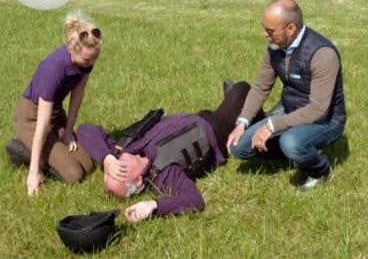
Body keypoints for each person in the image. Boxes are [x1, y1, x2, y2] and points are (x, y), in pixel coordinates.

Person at [76, 81, 253, 223]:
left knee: (239, 102)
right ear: (138, 181)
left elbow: (85, 129)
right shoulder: (164, 174)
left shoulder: (123, 149)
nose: (118, 161)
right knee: (242, 89)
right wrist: (153, 205)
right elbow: (195, 200)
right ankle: (254, 114)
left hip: (196, 116)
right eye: (120, 170)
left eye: (111, 169)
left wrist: (106, 158)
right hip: (216, 129)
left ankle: (246, 111)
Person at [226, 0, 346, 190]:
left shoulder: (323, 54)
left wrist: (272, 126)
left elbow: (318, 110)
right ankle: (299, 150)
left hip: (327, 120)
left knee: (291, 142)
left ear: (291, 29)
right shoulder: (274, 48)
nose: (265, 35)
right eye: (264, 28)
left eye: (270, 31)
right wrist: (243, 122)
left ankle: (320, 169)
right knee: (238, 147)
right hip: (290, 111)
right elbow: (260, 87)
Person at [13, 10, 101, 196]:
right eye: (87, 59)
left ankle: (51, 150)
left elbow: (78, 95)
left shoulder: (85, 63)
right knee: (74, 174)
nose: (91, 63)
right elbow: (42, 124)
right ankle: (21, 149)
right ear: (71, 50)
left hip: (55, 115)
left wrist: (69, 131)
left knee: (87, 165)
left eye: (95, 57)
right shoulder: (52, 70)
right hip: (32, 119)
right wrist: (33, 173)